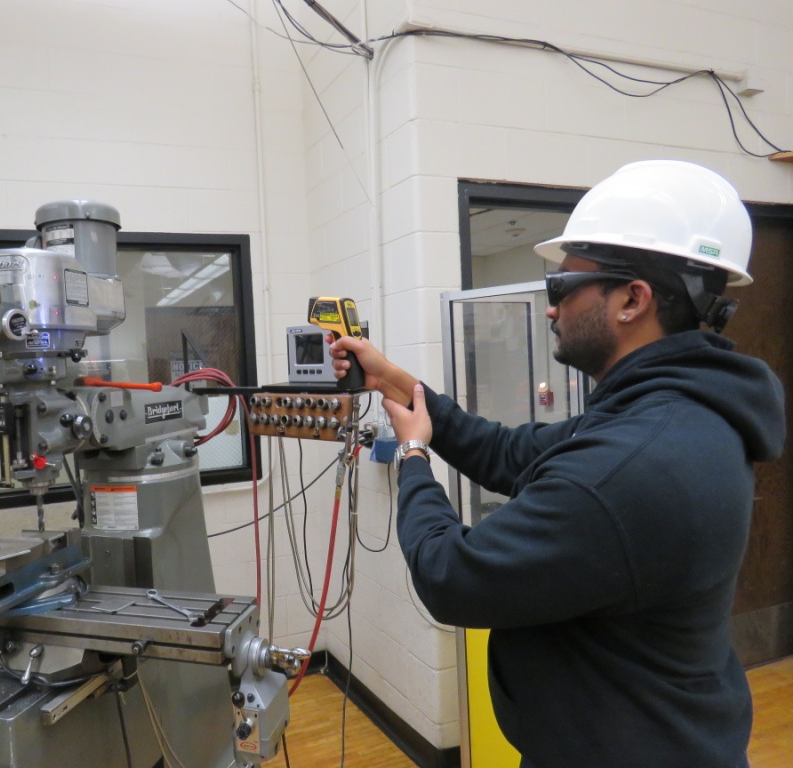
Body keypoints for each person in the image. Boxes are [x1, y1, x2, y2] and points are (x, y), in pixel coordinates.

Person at [329, 160, 786, 768]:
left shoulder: (632, 463)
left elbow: (452, 575)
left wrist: (412, 454)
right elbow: (506, 452)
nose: (550, 308)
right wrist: (398, 383)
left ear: (632, 299)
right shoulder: (668, 413)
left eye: (560, 289)